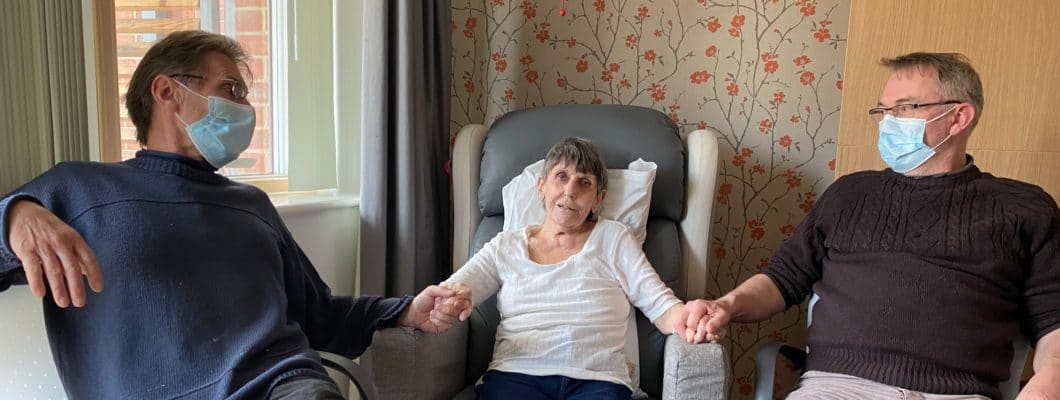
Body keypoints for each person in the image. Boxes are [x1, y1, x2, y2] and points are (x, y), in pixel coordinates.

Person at [0, 30, 467, 400]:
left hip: (285, 387)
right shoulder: (78, 188)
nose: (246, 108)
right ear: (167, 91)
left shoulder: (251, 204)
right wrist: (14, 216)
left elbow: (319, 315)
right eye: (231, 89)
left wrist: (406, 310)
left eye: (245, 95)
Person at [684, 52, 1060, 399]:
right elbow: (782, 279)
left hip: (956, 393)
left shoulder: (1023, 208)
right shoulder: (850, 193)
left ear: (959, 117)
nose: (888, 121)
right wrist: (726, 305)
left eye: (906, 107)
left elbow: (1054, 321)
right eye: (883, 110)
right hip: (834, 389)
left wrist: (1043, 389)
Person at [433, 137, 716, 400]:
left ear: (598, 199)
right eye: (561, 177)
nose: (570, 191)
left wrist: (693, 319)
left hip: (598, 380)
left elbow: (660, 305)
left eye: (584, 183)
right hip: (515, 375)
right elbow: (455, 290)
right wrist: (452, 300)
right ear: (541, 187)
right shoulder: (505, 246)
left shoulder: (614, 238)